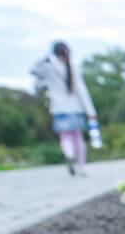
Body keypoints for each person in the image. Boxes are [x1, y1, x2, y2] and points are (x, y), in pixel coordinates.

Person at [31, 42, 97, 176]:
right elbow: (81, 91)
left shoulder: (48, 68)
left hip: (59, 108)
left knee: (65, 137)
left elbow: (33, 70)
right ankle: (81, 166)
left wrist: (46, 58)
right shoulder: (72, 67)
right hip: (75, 108)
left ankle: (69, 154)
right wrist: (90, 111)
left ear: (54, 53)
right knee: (77, 137)